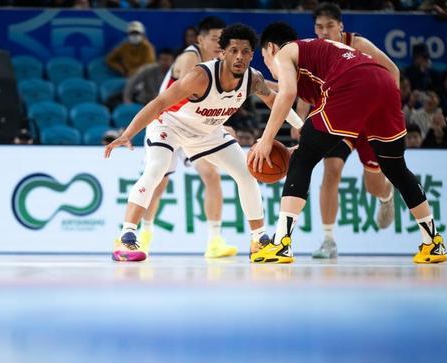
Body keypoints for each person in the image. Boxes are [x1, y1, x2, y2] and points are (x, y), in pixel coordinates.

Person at [249, 21, 447, 264]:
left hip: (353, 83)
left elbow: (287, 93)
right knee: (396, 168)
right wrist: (304, 144)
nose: (269, 66)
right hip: (383, 83)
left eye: (264, 58)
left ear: (271, 48)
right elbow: (300, 106)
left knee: (302, 161)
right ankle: (434, 243)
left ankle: (281, 244)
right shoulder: (314, 61)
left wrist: (266, 139)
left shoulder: (284, 53)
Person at [104, 23, 303, 262]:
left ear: (252, 55)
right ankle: (126, 236)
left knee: (246, 173)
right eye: (233, 51)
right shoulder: (200, 76)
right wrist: (128, 133)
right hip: (170, 125)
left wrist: (302, 127)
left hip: (207, 132)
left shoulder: (253, 79)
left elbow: (277, 101)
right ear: (223, 53)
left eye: (245, 51)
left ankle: (258, 239)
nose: (239, 56)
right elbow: (159, 103)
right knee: (156, 169)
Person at [292, 3, 398, 259]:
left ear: (340, 26)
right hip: (340, 120)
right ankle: (328, 240)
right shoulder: (313, 50)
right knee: (331, 170)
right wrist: (299, 120)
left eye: (330, 26)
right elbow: (306, 88)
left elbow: (393, 71)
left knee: (373, 185)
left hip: (369, 122)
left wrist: (388, 110)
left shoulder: (358, 44)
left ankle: (386, 195)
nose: (324, 31)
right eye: (319, 27)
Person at [138, 17, 242, 258]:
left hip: (195, 128)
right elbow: (190, 100)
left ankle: (215, 241)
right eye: (214, 39)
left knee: (211, 175)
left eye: (223, 40)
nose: (219, 44)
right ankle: (143, 234)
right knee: (158, 182)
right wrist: (220, 126)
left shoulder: (222, 62)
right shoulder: (189, 58)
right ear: (201, 39)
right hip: (168, 124)